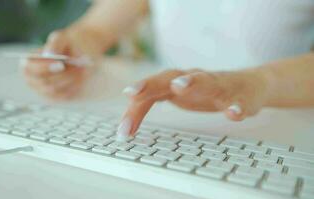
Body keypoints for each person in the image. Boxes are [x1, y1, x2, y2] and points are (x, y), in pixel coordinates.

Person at [21, 0, 314, 140]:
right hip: (169, 128)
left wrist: (255, 83)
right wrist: (70, 52)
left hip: (284, 132)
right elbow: (96, 29)